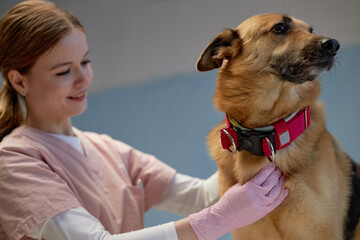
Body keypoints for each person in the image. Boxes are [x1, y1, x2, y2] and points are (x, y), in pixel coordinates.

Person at [0, 1, 289, 240]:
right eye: (63, 71)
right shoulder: (14, 161)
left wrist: (258, 134)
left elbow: (202, 196)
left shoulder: (107, 150)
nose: (83, 79)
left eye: (85, 62)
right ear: (19, 81)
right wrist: (214, 220)